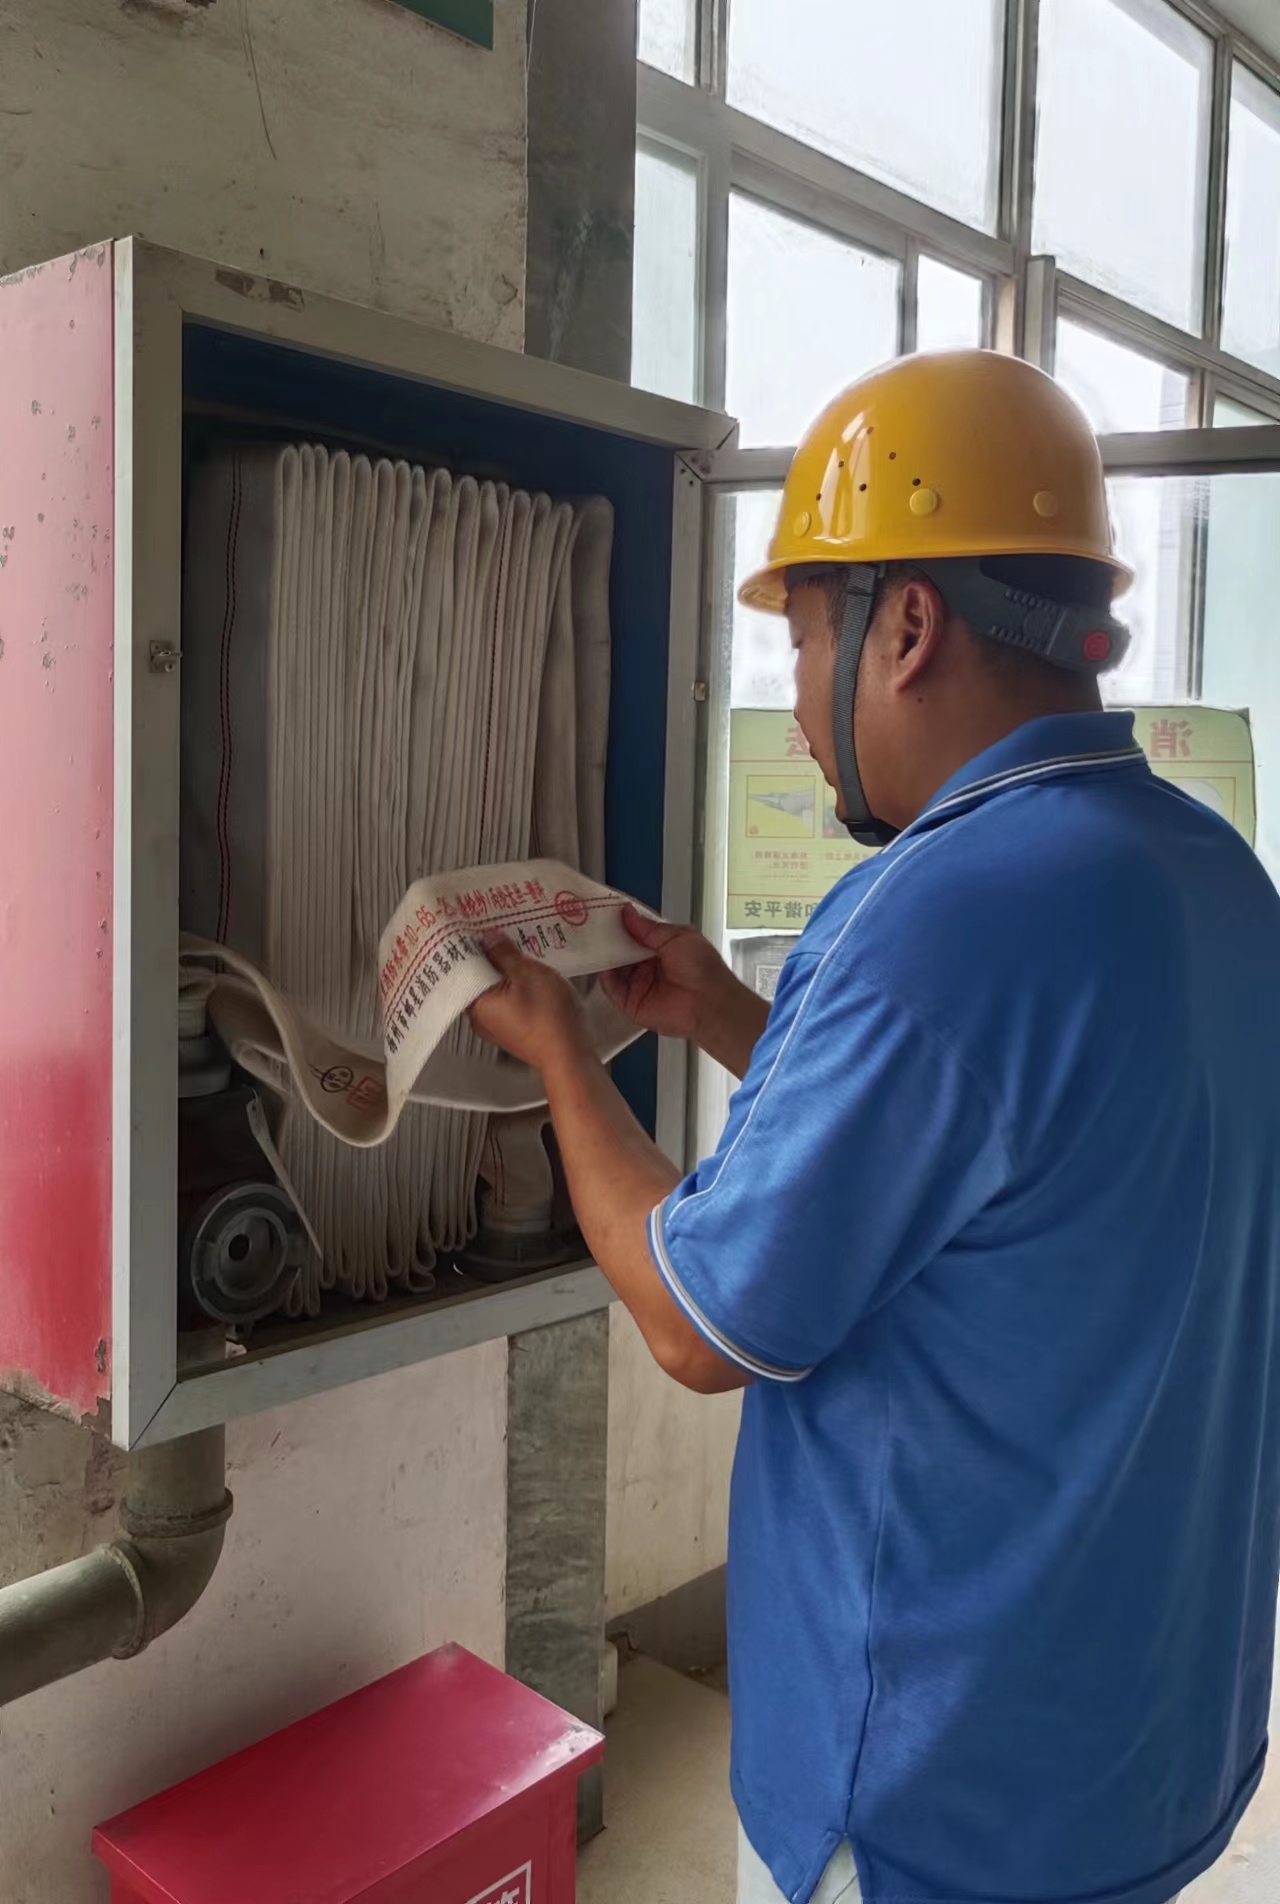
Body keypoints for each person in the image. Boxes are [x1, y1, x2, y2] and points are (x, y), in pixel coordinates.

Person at [469, 350, 1280, 1904]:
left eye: (805, 637)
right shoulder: (1208, 872)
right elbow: (1003, 1160)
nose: (796, 706)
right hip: (1150, 1742)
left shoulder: (937, 915)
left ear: (908, 626)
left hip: (946, 1793)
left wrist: (564, 1058)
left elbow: (702, 1322)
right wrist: (724, 1014)